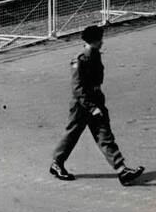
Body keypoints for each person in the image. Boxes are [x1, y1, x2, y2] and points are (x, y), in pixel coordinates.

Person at [50, 24, 144, 186]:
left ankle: (121, 170)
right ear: (92, 41)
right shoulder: (80, 59)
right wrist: (92, 107)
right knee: (72, 134)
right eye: (100, 40)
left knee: (104, 134)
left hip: (96, 99)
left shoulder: (95, 55)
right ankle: (57, 163)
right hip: (82, 105)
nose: (102, 42)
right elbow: (78, 89)